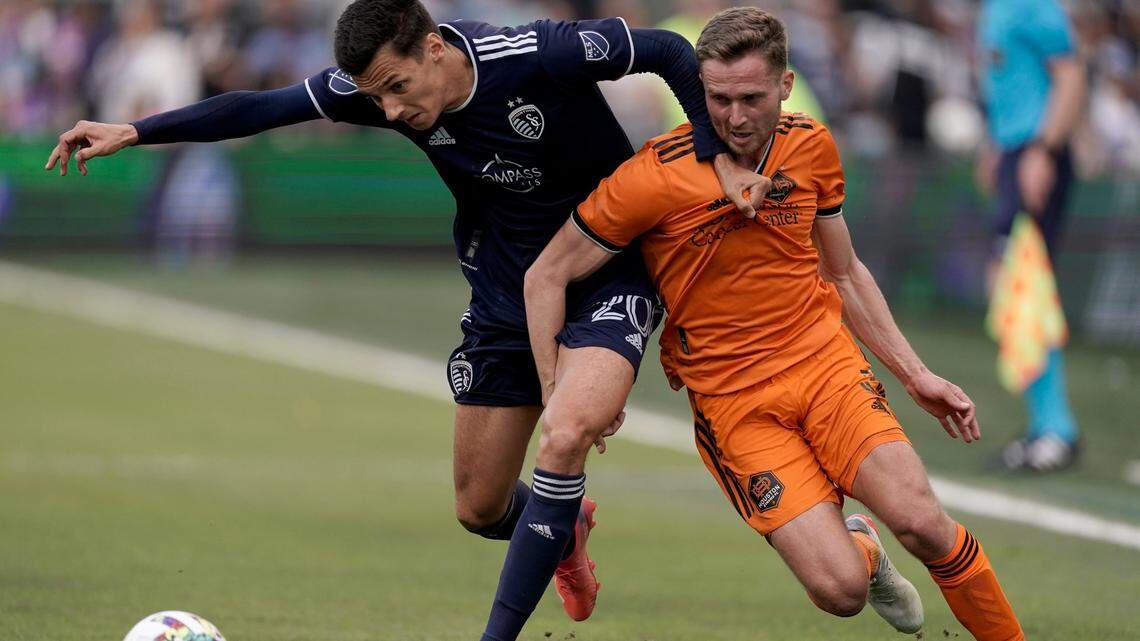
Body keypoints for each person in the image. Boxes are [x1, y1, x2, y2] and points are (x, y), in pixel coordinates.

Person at [43, 0, 769, 636]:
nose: (390, 111)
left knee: (569, 429)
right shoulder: (383, 87)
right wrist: (135, 131)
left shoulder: (538, 54)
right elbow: (262, 107)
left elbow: (672, 51)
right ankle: (564, 526)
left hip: (609, 265)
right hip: (502, 293)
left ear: (434, 48)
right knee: (479, 506)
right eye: (375, 97)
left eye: (396, 88)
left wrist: (717, 161)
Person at [526, 8, 1026, 640]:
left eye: (752, 98)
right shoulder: (654, 176)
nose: (734, 117)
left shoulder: (811, 145)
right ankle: (863, 554)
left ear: (786, 85)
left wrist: (916, 373)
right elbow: (546, 276)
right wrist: (554, 393)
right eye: (718, 98)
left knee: (924, 523)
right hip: (735, 404)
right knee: (840, 591)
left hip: (825, 368)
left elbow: (844, 274)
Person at [977, 0, 1086, 472]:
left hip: (1034, 153)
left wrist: (1043, 149)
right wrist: (994, 145)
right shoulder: (993, 10)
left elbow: (1071, 76)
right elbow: (1008, 84)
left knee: (1022, 286)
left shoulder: (1032, 5)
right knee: (1011, 286)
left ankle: (1056, 430)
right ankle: (1047, 425)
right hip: (1015, 151)